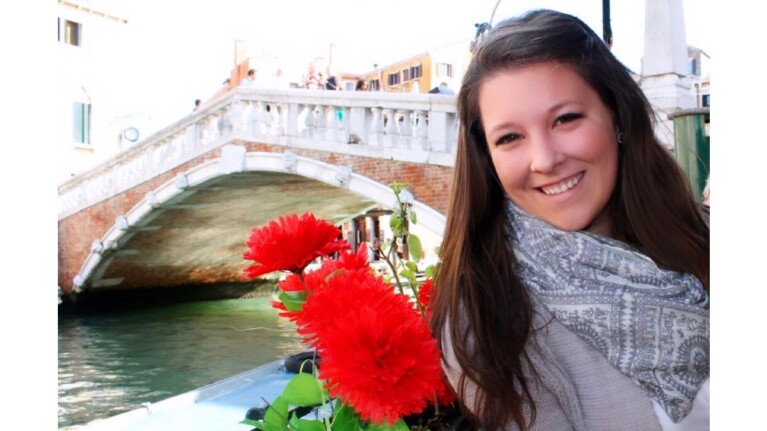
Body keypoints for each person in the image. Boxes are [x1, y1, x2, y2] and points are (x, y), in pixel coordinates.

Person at [430, 9, 709, 431]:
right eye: (509, 138)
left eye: (566, 119)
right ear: (486, 157)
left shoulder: (700, 237)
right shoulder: (486, 317)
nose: (544, 160)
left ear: (616, 115)